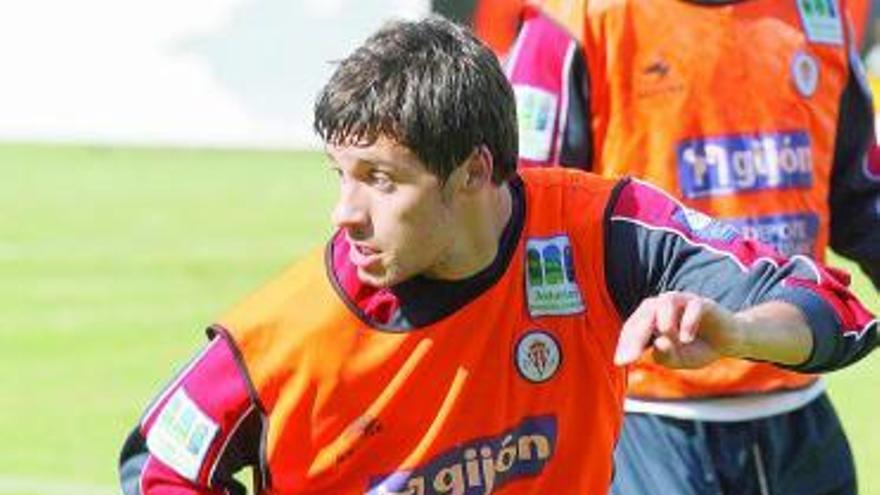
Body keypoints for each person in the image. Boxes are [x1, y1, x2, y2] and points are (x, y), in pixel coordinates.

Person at [119, 16, 878, 495]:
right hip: (665, 441)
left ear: (476, 171)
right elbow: (160, 460)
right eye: (340, 176)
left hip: (796, 431)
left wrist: (737, 333)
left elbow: (832, 308)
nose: (344, 214)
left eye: (380, 181)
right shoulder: (284, 336)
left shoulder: (601, 230)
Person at [505, 1, 880, 493]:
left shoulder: (817, 15)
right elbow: (520, 220)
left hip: (799, 415)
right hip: (643, 423)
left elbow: (863, 197)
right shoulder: (571, 22)